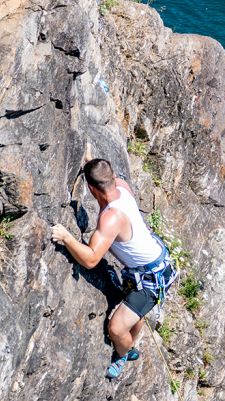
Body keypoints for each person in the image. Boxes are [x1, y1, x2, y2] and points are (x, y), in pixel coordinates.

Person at [51, 158, 176, 379]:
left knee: (117, 329)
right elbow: (104, 174)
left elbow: (90, 260)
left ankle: (124, 353)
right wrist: (91, 162)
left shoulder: (111, 218)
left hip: (149, 279)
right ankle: (130, 336)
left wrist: (67, 238)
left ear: (90, 188)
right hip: (154, 263)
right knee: (134, 314)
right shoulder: (121, 186)